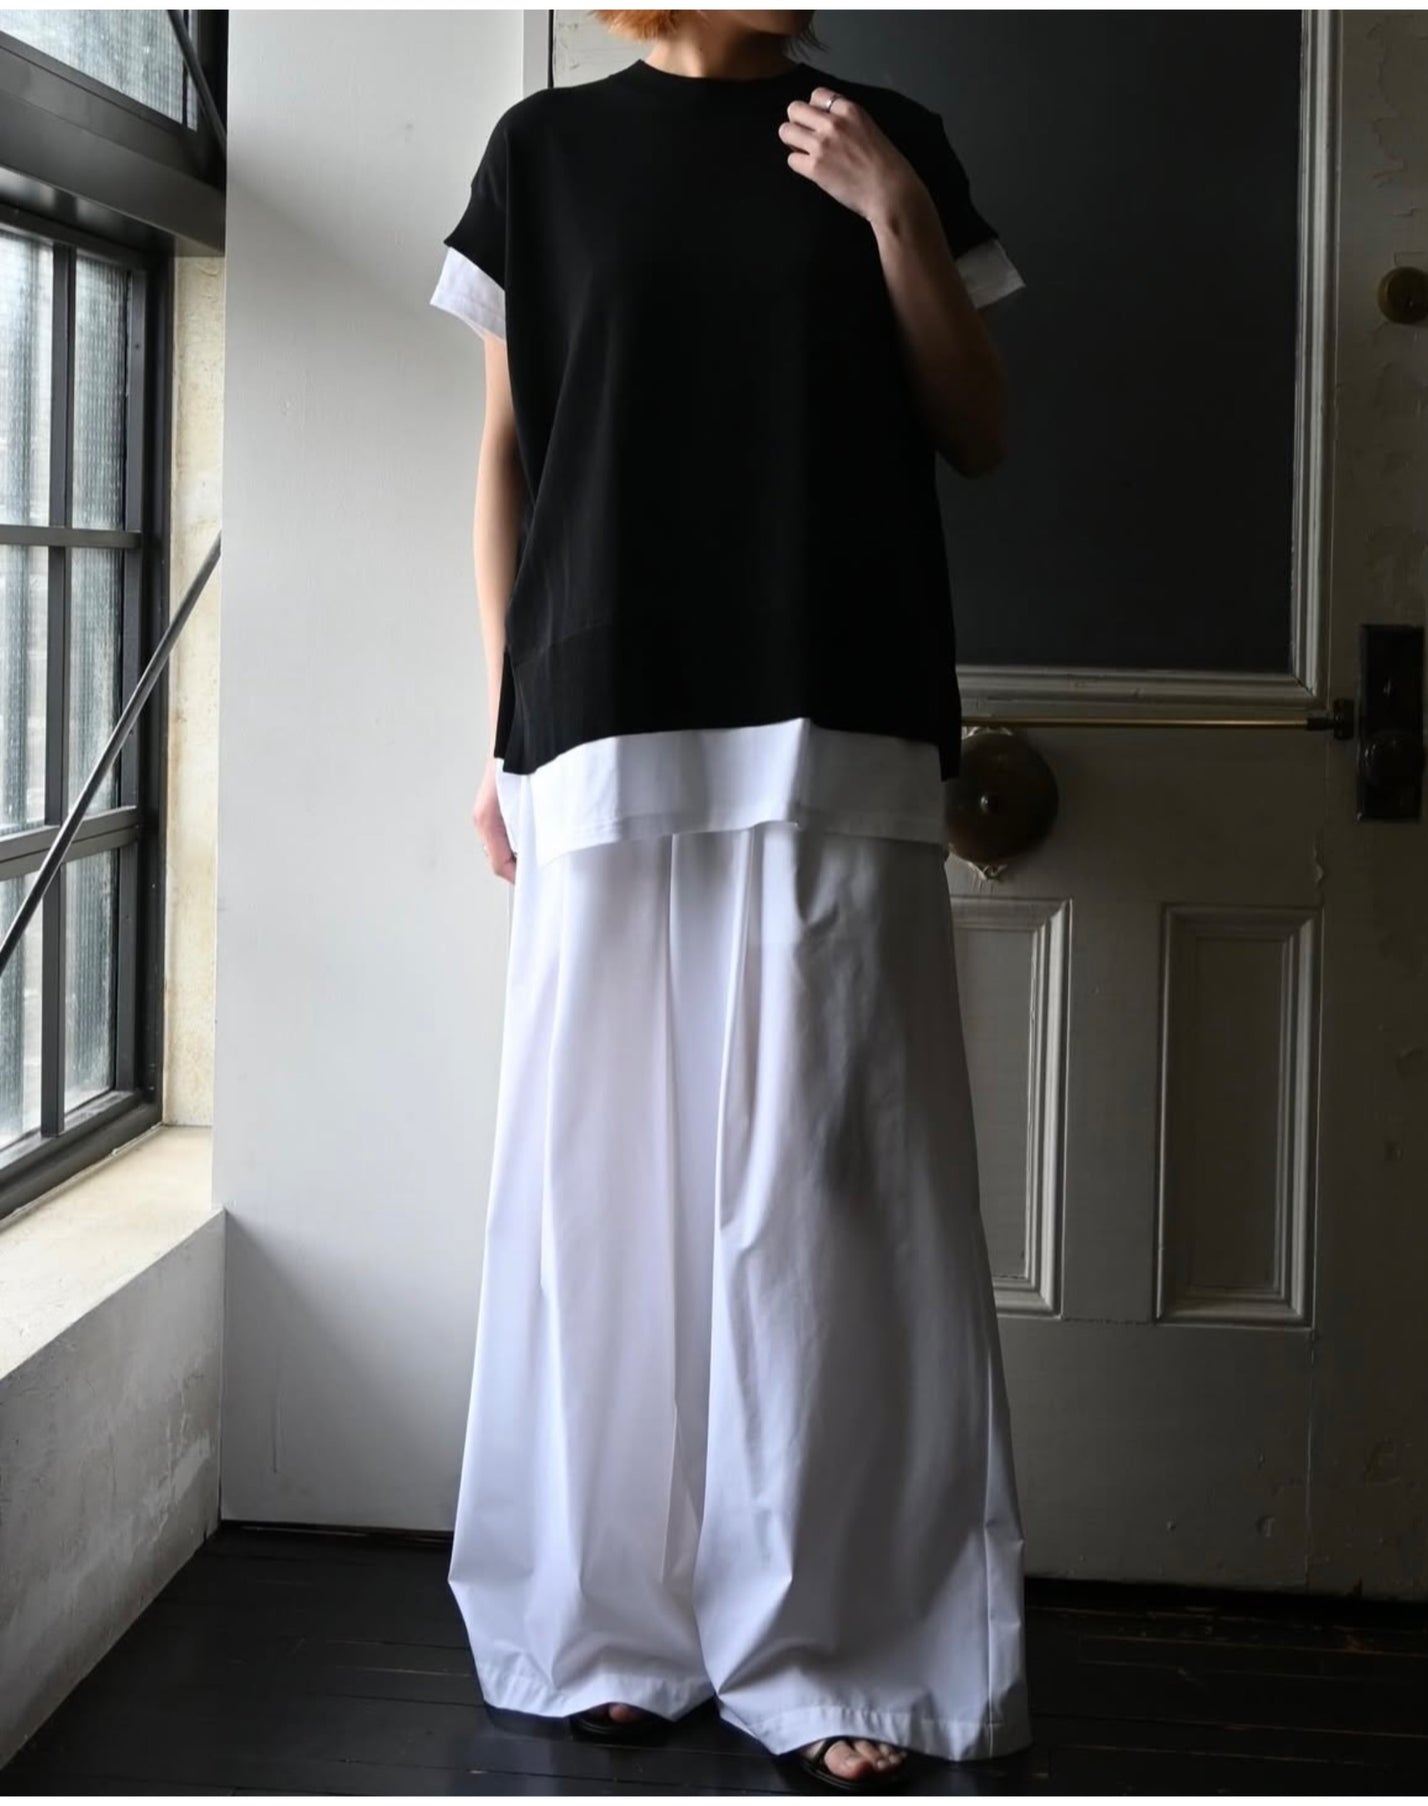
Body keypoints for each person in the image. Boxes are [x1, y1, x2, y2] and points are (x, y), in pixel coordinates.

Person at [430, 8, 1032, 1791]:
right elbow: (509, 452)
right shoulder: (544, 154)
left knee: (831, 1192)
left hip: (834, 699)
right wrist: (502, 733)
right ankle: (610, 1621)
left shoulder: (888, 131)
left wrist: (892, 210)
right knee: (599, 1183)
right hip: (596, 707)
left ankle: (841, 1645)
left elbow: (977, 431)